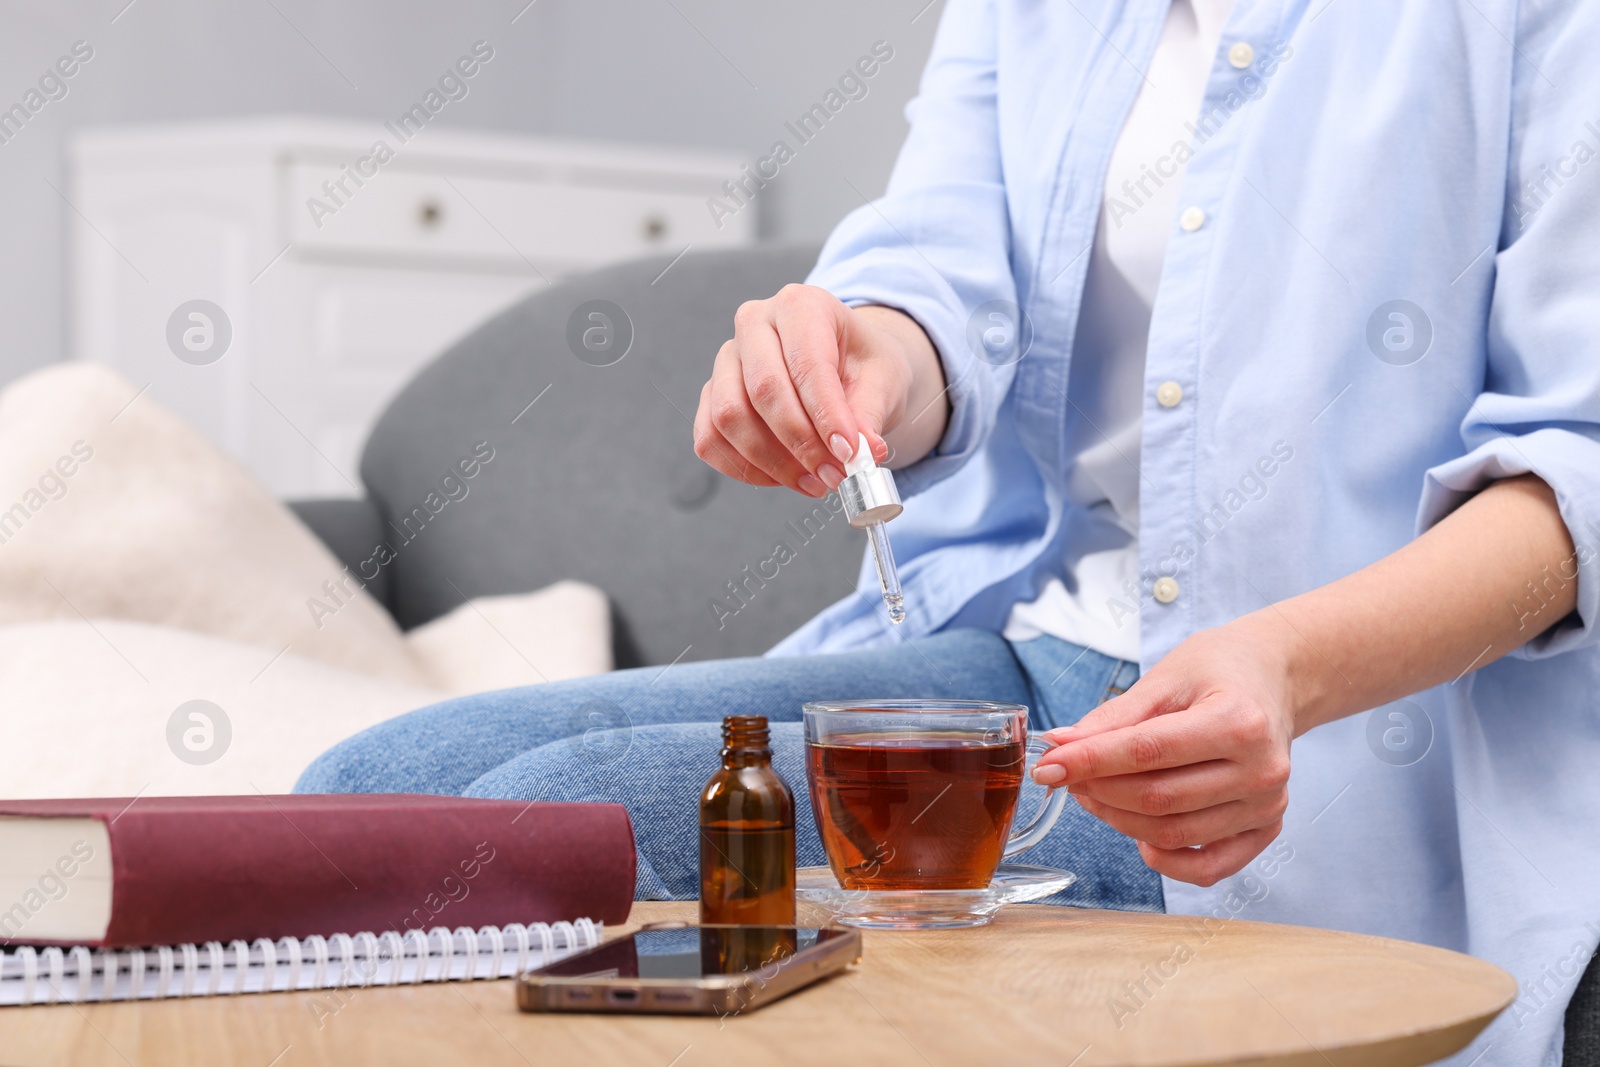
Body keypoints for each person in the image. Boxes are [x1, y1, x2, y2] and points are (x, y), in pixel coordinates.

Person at [299, 1, 1600, 1061]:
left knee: (534, 839)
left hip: (1337, 743)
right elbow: (942, 275)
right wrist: (860, 363)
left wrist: (1286, 666)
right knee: (363, 806)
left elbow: (1576, 468)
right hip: (1042, 662)